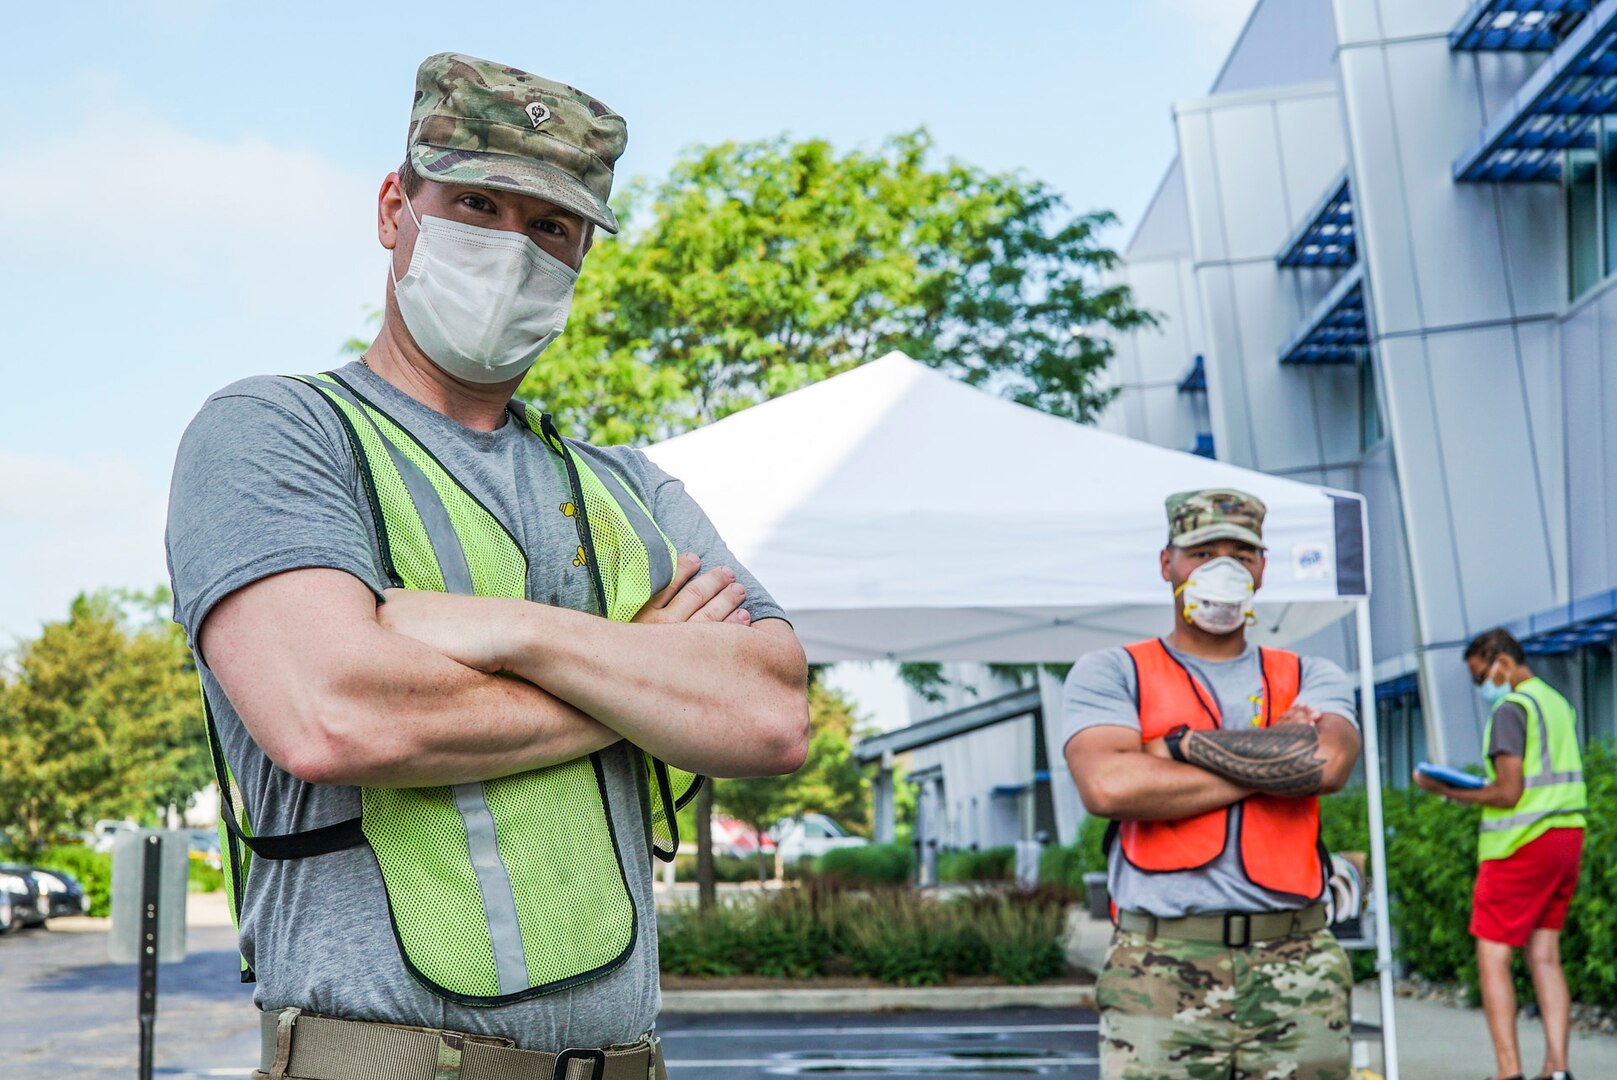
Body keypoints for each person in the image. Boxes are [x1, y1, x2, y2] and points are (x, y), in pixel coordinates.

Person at [165, 52, 810, 1080]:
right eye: (474, 204)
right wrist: (646, 679)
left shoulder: (631, 488)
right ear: (394, 209)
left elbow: (773, 716)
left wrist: (517, 631)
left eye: (550, 227)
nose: (511, 250)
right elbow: (334, 714)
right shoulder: (277, 434)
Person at [1063, 489, 1363, 1080]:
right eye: (1203, 551)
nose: (1224, 568)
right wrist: (1275, 760)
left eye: (1242, 554)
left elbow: (1326, 766)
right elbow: (1109, 787)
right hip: (1159, 963)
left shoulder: (1312, 673)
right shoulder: (1112, 671)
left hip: (1297, 962)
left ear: (1262, 567)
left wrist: (1172, 746)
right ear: (1166, 563)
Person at [1414, 628, 1586, 1080]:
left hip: (1520, 843)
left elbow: (1509, 792)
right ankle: (1557, 1068)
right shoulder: (1556, 703)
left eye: (1480, 676)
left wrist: (1446, 789)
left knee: (1493, 956)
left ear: (1501, 662)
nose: (1481, 688)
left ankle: (1508, 1072)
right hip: (1567, 835)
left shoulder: (1512, 708)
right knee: (1545, 955)